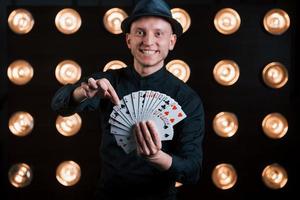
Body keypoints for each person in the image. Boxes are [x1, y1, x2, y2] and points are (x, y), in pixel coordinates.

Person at [51, 0, 205, 199]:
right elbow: (58, 105)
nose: (148, 41)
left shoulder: (187, 99)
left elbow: (192, 171)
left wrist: (157, 158)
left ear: (172, 41)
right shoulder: (107, 82)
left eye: (158, 33)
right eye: (140, 32)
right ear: (128, 40)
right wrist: (82, 93)